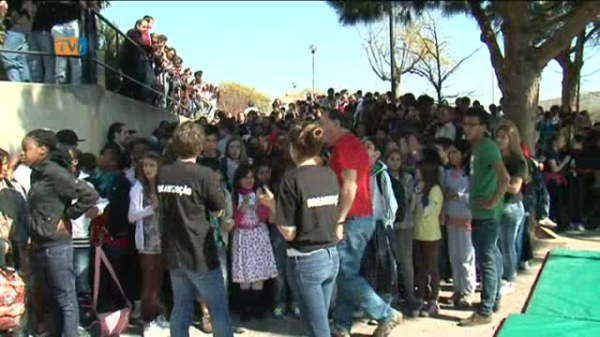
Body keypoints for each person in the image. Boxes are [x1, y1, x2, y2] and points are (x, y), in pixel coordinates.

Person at [320, 110, 402, 337]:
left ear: (336, 123)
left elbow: (350, 186)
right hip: (361, 218)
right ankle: (341, 325)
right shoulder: (352, 144)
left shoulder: (345, 146)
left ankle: (385, 314)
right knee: (348, 272)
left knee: (345, 273)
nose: (320, 129)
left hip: (353, 219)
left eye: (323, 123)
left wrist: (340, 218)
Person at [256, 122, 341, 337]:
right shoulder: (329, 175)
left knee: (317, 329)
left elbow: (289, 232)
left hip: (306, 260)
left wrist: (272, 208)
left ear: (293, 148)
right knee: (318, 324)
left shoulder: (291, 178)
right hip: (331, 256)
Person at [157, 121, 233, 337]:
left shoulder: (163, 173)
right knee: (218, 308)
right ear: (200, 147)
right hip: (200, 252)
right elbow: (219, 210)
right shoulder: (204, 174)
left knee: (180, 307)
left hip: (174, 250)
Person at [22, 129, 98, 337]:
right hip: (39, 245)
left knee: (65, 299)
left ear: (42, 150)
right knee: (49, 301)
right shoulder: (36, 173)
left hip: (56, 247)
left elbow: (89, 194)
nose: (23, 154)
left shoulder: (56, 173)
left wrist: (67, 216)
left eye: (26, 149)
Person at [459, 108, 509, 327]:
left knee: (486, 260)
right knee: (493, 257)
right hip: (482, 213)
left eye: (471, 124)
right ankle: (493, 300)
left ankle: (485, 310)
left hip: (487, 215)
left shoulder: (487, 147)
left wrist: (492, 201)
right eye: (465, 123)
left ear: (482, 127)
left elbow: (505, 177)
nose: (466, 128)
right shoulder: (477, 147)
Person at [230, 164, 278, 321]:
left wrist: (259, 205)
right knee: (245, 276)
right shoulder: (234, 196)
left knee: (259, 274)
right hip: (242, 236)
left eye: (251, 177)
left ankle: (258, 308)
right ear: (238, 180)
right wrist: (241, 209)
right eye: (245, 177)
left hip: (258, 235)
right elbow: (232, 223)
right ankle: (245, 309)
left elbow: (265, 218)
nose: (249, 180)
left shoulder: (259, 193)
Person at [128, 152, 169, 335]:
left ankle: (157, 315)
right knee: (149, 282)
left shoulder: (163, 187)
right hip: (146, 241)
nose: (148, 169)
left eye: (152, 165)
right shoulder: (138, 187)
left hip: (163, 239)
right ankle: (147, 320)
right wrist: (150, 208)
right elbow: (132, 216)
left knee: (159, 281)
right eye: (146, 166)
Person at [494, 121, 528, 295]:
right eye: (497, 137)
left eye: (503, 137)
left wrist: (497, 182)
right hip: (497, 205)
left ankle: (509, 279)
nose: (499, 140)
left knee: (508, 245)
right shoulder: (496, 158)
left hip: (512, 205)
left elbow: (515, 187)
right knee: (498, 245)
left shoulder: (517, 161)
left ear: (511, 139)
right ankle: (501, 276)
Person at [443, 140, 476, 309]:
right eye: (450, 152)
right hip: (451, 218)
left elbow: (476, 197)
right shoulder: (446, 173)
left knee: (466, 257)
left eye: (455, 152)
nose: (451, 155)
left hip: (466, 219)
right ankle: (458, 288)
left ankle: (468, 290)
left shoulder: (470, 174)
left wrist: (459, 196)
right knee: (454, 256)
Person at [412, 158, 444, 317]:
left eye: (419, 169)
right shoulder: (419, 186)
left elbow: (426, 211)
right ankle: (422, 297)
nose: (416, 172)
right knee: (421, 268)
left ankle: (433, 301)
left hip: (431, 235)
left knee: (432, 268)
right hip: (417, 233)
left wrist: (418, 196)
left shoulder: (435, 189)